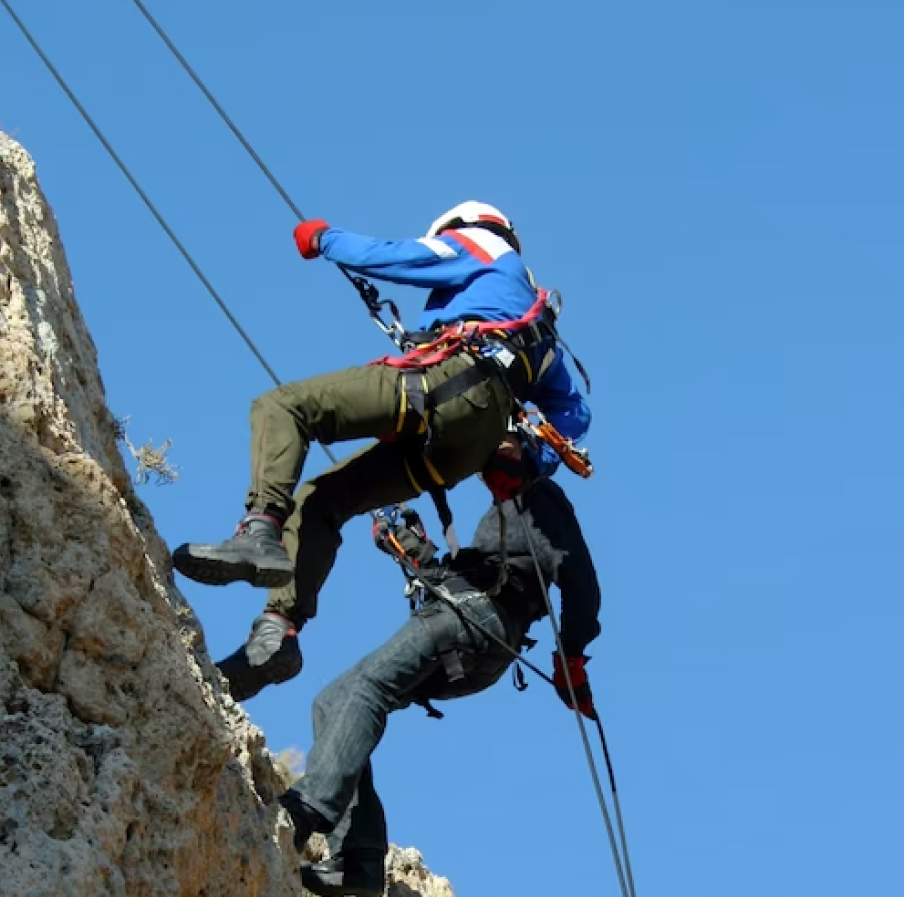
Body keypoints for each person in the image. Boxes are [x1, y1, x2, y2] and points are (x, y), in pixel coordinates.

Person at [171, 201, 591, 700]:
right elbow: (574, 415)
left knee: (283, 408)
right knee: (323, 500)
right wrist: (527, 458)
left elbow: (403, 258)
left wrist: (325, 240)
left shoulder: (485, 245)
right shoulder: (541, 332)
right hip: (464, 447)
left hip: (446, 384)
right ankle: (276, 633)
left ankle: (259, 529)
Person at [280, 477, 603, 896]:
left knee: (363, 691)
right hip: (478, 637)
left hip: (470, 619)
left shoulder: (538, 494)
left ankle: (305, 811)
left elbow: (581, 581)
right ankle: (358, 863)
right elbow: (464, 574)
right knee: (333, 703)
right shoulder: (506, 521)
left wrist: (570, 656)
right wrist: (410, 548)